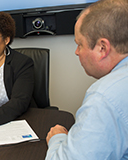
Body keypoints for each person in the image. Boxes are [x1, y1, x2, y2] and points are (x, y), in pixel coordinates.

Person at [45, 0, 128, 159]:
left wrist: (57, 138)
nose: (77, 52)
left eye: (80, 44)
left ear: (102, 48)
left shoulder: (104, 98)